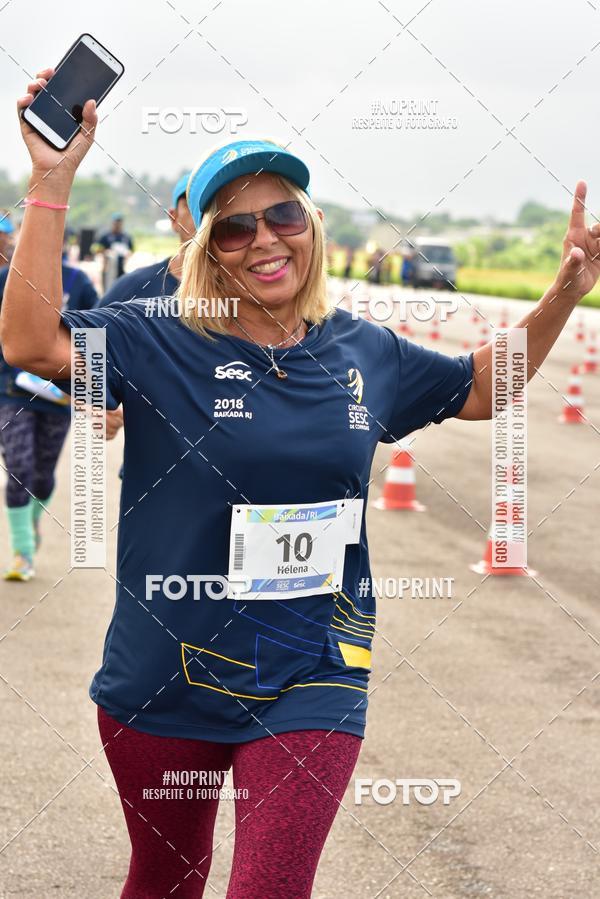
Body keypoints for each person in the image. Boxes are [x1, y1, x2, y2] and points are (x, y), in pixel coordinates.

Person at [4, 70, 599, 898]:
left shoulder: (363, 349)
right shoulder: (152, 335)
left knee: (271, 887)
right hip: (162, 670)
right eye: (235, 226)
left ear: (311, 224)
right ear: (205, 245)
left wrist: (563, 293)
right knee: (167, 877)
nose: (264, 239)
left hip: (312, 668)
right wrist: (50, 181)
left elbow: (478, 387)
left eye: (282, 214)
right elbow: (35, 346)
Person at [0, 231, 99, 580]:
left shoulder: (79, 282)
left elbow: (96, 338)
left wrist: (87, 389)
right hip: (12, 394)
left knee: (41, 476)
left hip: (60, 398)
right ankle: (22, 552)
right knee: (19, 468)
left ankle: (31, 522)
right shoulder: (6, 280)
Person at [98, 171, 193, 307]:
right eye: (193, 204)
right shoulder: (132, 289)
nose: (204, 215)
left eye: (214, 206)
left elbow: (131, 250)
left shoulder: (233, 294)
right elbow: (88, 329)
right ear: (174, 219)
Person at [97, 212, 134, 291]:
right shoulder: (105, 236)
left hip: (121, 268)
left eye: (119, 222)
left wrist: (127, 253)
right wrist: (106, 252)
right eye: (116, 222)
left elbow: (131, 250)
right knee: (108, 291)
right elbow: (96, 249)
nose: (118, 224)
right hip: (108, 269)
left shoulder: (126, 237)